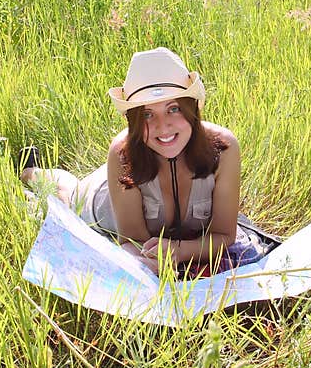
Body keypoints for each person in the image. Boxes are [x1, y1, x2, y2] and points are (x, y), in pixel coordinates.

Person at [19, 47, 273, 277]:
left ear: (192, 108)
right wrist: (143, 257)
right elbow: (133, 242)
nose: (163, 127)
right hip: (108, 197)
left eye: (173, 108)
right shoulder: (122, 153)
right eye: (148, 114)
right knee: (67, 194)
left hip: (171, 233)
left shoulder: (223, 147)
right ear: (134, 122)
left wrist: (179, 251)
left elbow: (224, 235)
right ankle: (29, 171)